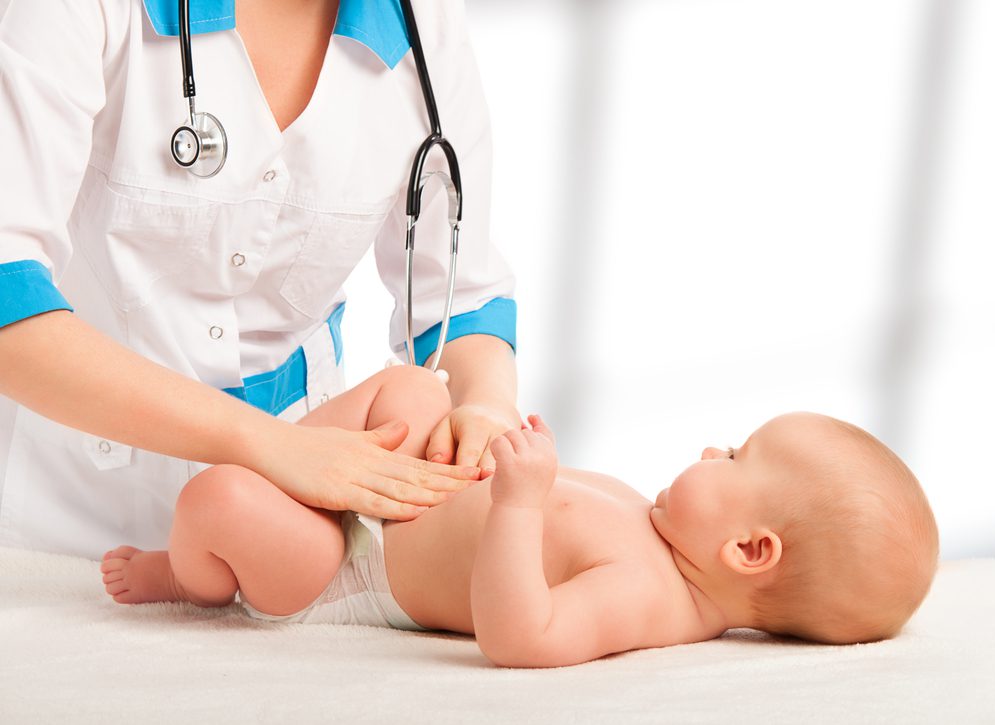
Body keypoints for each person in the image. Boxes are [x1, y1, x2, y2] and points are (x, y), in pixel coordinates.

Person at [0, 0, 519, 559]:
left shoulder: (423, 20)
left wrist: (489, 407)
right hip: (72, 518)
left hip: (296, 529)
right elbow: (9, 296)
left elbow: (459, 301)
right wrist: (269, 446)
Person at [101, 365, 940, 668]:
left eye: (737, 457)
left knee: (216, 497)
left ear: (750, 548)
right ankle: (302, 465)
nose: (715, 448)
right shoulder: (659, 532)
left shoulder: (655, 600)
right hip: (392, 500)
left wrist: (517, 503)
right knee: (417, 389)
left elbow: (521, 634)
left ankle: (180, 573)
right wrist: (483, 448)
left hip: (349, 571)